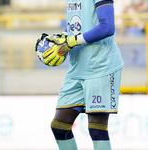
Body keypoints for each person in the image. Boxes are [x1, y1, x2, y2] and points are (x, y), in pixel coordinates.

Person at [35, 0, 124, 150]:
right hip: (77, 67)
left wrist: (71, 41)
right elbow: (80, 26)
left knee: (97, 129)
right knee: (59, 126)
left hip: (101, 65)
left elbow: (107, 27)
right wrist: (61, 38)